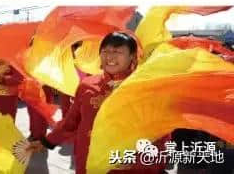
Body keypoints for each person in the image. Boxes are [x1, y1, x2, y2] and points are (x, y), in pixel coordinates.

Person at [29, 32, 166, 174]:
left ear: (132, 55)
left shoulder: (145, 87)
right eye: (105, 51)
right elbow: (71, 121)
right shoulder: (87, 85)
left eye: (118, 51)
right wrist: (46, 142)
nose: (110, 56)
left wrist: (156, 166)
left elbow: (160, 130)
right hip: (89, 158)